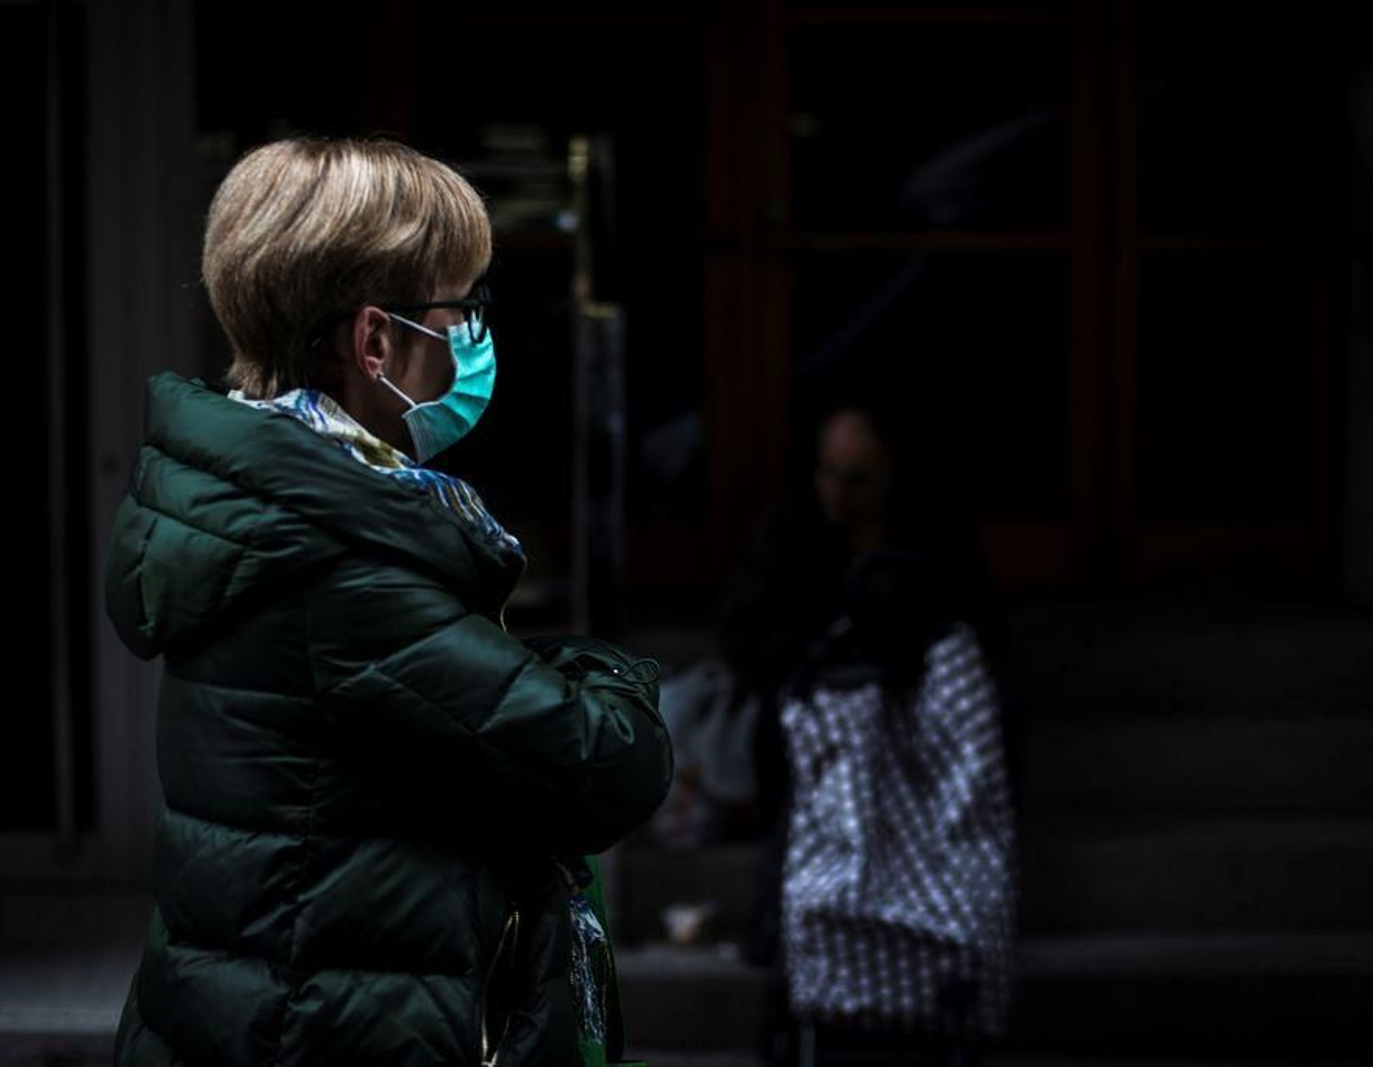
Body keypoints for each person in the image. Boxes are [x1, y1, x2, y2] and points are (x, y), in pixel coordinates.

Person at [104, 135, 672, 1067]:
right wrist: (601, 671)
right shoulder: (336, 568)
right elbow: (604, 765)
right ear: (375, 340)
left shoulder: (267, 514)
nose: (477, 337)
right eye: (463, 308)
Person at [719, 399, 1018, 1066]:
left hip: (926, 728)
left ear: (887, 478)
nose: (839, 493)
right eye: (829, 475)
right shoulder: (794, 530)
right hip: (821, 725)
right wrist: (827, 660)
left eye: (857, 479)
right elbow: (747, 636)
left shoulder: (931, 536)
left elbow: (981, 639)